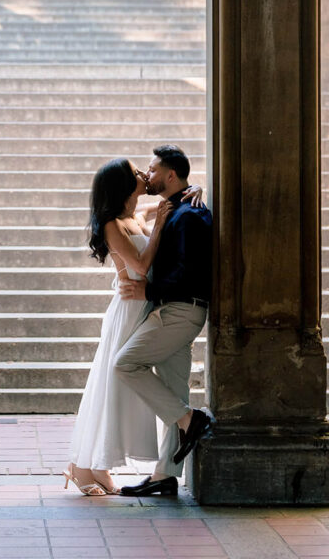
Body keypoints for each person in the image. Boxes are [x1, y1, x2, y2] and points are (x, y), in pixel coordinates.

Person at [63, 157, 202, 497]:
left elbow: (172, 200)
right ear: (122, 185)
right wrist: (156, 230)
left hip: (147, 304)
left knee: (121, 385)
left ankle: (97, 466)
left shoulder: (135, 217)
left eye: (145, 169)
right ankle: (84, 466)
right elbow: (139, 263)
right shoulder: (113, 224)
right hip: (129, 308)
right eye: (136, 172)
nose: (143, 174)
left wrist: (197, 189)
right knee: (113, 381)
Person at [115, 144, 213, 498]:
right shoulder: (178, 207)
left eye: (154, 169)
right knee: (174, 391)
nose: (148, 173)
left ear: (171, 175)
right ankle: (165, 475)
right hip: (176, 309)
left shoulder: (190, 215)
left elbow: (190, 272)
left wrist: (149, 291)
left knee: (125, 364)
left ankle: (191, 420)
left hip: (180, 309)